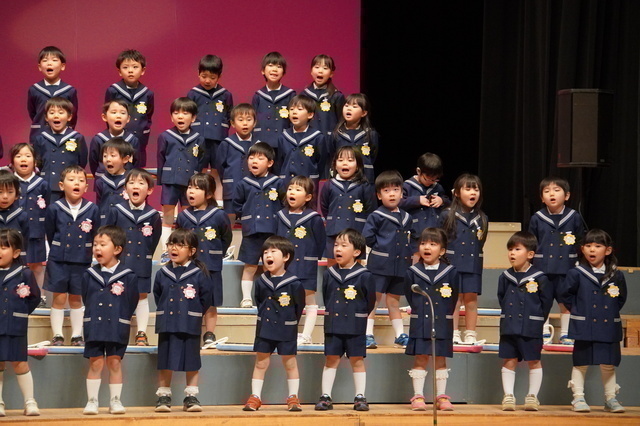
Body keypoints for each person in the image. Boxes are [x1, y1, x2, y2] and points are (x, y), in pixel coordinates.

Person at [562, 229, 626, 414]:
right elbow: (566, 295)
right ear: (582, 249)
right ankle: (578, 397)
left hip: (608, 326)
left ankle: (610, 398)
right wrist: (581, 310)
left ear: (608, 250)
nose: (592, 249)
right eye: (588, 245)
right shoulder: (576, 273)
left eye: (597, 246)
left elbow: (620, 299)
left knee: (608, 363)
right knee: (581, 362)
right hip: (584, 325)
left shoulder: (616, 275)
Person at [315, 228, 375, 412]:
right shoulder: (329, 274)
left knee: (357, 360)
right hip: (333, 325)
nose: (338, 249)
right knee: (331, 359)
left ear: (356, 252)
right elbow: (326, 296)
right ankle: (326, 396)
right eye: (336, 245)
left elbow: (370, 301)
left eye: (343, 245)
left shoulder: (365, 275)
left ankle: (360, 396)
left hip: (355, 325)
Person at [243, 236, 305, 412]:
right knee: (260, 363)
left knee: (290, 363)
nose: (268, 255)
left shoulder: (294, 283)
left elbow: (299, 307)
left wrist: (289, 322)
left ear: (286, 257)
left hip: (286, 329)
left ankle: (293, 397)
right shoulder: (261, 281)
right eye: (265, 252)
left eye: (273, 251)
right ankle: (255, 397)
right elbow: (259, 302)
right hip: (265, 328)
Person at [81, 226, 139, 415]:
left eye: (102, 244)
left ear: (117, 249)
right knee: (95, 362)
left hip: (117, 326)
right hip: (94, 325)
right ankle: (92, 401)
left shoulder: (128, 276)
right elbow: (86, 297)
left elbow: (131, 301)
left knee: (114, 362)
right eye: (95, 244)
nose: (97, 248)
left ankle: (115, 401)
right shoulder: (89, 274)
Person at [153, 229, 211, 413]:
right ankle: (164, 396)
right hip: (167, 323)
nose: (174, 248)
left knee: (191, 361)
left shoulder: (198, 274)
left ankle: (191, 396)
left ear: (192, 251)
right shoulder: (162, 273)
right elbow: (158, 295)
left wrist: (191, 313)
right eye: (171, 244)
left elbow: (206, 299)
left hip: (189, 323)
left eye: (180, 245)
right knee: (165, 360)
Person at [44, 165, 100, 346]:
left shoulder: (92, 209)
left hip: (81, 260)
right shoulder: (54, 208)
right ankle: (57, 335)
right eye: (71, 180)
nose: (77, 183)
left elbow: (95, 233)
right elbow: (50, 232)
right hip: (58, 260)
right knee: (59, 298)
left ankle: (77, 335)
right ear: (61, 185)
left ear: (86, 187)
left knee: (76, 298)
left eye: (81, 180)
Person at [105, 168, 161, 345]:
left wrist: (144, 255)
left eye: (141, 183)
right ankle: (116, 331)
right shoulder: (117, 211)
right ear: (125, 188)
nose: (135, 186)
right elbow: (108, 236)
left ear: (149, 190)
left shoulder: (153, 216)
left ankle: (141, 333)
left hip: (141, 262)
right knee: (117, 295)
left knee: (141, 296)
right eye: (131, 183)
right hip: (120, 263)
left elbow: (153, 241)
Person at [497, 231, 553, 411]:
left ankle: (532, 397)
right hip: (509, 326)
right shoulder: (505, 277)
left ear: (530, 254)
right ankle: (508, 396)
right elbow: (502, 298)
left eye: (517, 249)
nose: (512, 253)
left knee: (534, 360)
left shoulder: (540, 278)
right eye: (510, 249)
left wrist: (536, 320)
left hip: (531, 327)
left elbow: (546, 303)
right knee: (509, 360)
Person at [404, 228, 459, 411]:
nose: (426, 247)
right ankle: (418, 397)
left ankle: (441, 396)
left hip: (442, 322)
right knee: (420, 358)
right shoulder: (413, 272)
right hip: (420, 322)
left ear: (442, 251)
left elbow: (453, 298)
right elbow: (411, 297)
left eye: (433, 244)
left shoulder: (450, 272)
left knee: (440, 359)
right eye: (423, 243)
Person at [176, 173, 232, 348]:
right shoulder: (184, 216)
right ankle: (188, 331)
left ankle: (209, 333)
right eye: (189, 187)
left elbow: (226, 237)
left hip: (211, 266)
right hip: (189, 267)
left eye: (197, 188)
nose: (191, 191)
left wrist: (216, 254)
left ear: (208, 194)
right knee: (187, 297)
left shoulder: (218, 215)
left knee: (211, 301)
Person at [529, 177, 586, 345]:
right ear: (542, 198)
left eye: (556, 190)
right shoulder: (537, 218)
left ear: (567, 195)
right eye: (547, 191)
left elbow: (581, 241)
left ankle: (566, 333)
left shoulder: (574, 217)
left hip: (566, 267)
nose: (551, 194)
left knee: (566, 301)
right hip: (542, 268)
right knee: (542, 300)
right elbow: (531, 242)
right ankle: (544, 331)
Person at [363, 170, 415, 349]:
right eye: (386, 190)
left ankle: (400, 335)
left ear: (402, 193)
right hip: (380, 265)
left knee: (394, 301)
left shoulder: (407, 217)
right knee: (373, 300)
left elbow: (412, 239)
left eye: (395, 189)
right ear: (379, 195)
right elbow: (368, 237)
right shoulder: (376, 216)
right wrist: (381, 248)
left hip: (400, 266)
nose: (391, 194)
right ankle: (367, 334)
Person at [276, 176, 326, 345]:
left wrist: (311, 259)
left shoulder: (313, 218)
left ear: (308, 197)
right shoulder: (280, 216)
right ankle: (287, 333)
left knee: (309, 300)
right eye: (290, 189)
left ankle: (306, 335)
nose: (292, 192)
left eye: (298, 190)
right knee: (286, 300)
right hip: (285, 267)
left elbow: (320, 242)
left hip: (306, 266)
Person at [439, 174, 488, 344]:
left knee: (471, 299)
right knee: (454, 299)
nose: (473, 192)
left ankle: (470, 334)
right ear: (457, 193)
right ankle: (453, 333)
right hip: (451, 264)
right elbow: (441, 239)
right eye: (468, 189)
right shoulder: (447, 215)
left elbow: (481, 241)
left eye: (476, 189)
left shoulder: (482, 218)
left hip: (473, 264)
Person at [233, 142, 283, 308]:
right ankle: (246, 298)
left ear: (270, 163)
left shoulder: (277, 183)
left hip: (272, 231)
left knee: (272, 265)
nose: (254, 161)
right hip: (252, 231)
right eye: (251, 157)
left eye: (260, 158)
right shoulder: (243, 184)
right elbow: (237, 205)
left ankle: (271, 296)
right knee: (250, 266)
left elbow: (283, 204)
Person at [157, 97, 205, 257]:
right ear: (171, 117)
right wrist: (162, 180)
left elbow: (200, 160)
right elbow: (160, 159)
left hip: (190, 183)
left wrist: (196, 181)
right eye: (176, 113)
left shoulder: (198, 138)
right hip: (170, 181)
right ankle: (166, 250)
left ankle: (186, 249)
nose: (180, 116)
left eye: (185, 113)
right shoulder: (165, 136)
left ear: (193, 118)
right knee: (167, 217)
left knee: (187, 216)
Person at [0, 229, 41, 416]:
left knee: (20, 363)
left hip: (16, 326)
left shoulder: (24, 273)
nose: (0, 251)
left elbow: (34, 298)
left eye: (4, 247)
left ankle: (30, 401)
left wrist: (20, 313)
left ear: (16, 252)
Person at [187, 54, 233, 203]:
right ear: (198, 73)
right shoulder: (193, 94)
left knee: (218, 170)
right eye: (204, 76)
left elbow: (229, 115)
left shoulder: (225, 95)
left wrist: (222, 129)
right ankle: (198, 199)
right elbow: (188, 113)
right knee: (197, 169)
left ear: (219, 76)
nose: (207, 80)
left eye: (212, 77)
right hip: (198, 139)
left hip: (218, 140)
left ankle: (218, 201)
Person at [319, 146, 375, 267]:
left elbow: (370, 209)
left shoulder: (364, 186)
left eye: (350, 160)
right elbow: (324, 207)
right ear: (334, 165)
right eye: (340, 160)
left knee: (355, 268)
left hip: (356, 232)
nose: (345, 163)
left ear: (358, 165)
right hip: (334, 233)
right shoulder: (329, 185)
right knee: (333, 268)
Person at [11, 143, 50, 302]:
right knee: (13, 264)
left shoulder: (42, 184)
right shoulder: (9, 182)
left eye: (28, 156)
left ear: (35, 161)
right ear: (12, 161)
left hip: (36, 231)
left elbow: (47, 207)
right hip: (13, 232)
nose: (23, 159)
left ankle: (39, 297)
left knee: (36, 265)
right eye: (19, 156)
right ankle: (12, 295)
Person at [32, 97, 87, 202]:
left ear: (69, 117)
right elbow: (37, 163)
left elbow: (82, 162)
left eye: (61, 112)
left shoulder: (77, 138)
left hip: (70, 185)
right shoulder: (41, 138)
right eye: (52, 113)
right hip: (48, 185)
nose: (56, 116)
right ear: (46, 117)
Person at [105, 49, 154, 167]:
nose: (130, 71)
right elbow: (108, 115)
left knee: (137, 171)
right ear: (119, 71)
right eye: (125, 67)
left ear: (143, 70)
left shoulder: (147, 93)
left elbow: (148, 115)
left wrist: (144, 130)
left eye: (135, 67)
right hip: (119, 139)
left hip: (139, 139)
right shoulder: (113, 91)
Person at [399, 153, 450, 263]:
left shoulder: (437, 187)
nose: (431, 182)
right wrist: (417, 200)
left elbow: (448, 202)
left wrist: (441, 200)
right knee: (415, 263)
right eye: (428, 179)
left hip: (434, 233)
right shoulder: (407, 186)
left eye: (435, 180)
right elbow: (399, 202)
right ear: (418, 171)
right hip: (415, 234)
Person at [276, 95, 326, 207]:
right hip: (288, 181)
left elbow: (321, 161)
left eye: (299, 109)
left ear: (310, 115)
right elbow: (280, 161)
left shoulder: (317, 137)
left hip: (309, 181)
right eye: (291, 109)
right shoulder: (284, 137)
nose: (294, 112)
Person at [215, 104, 259, 224]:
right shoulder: (227, 144)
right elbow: (220, 167)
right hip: (231, 188)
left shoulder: (258, 144)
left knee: (250, 220)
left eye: (249, 120)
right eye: (240, 120)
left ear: (255, 123)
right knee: (229, 220)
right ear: (233, 123)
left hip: (252, 189)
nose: (245, 123)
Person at [28, 46, 78, 144]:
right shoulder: (34, 89)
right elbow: (32, 113)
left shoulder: (69, 90)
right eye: (45, 60)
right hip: (39, 134)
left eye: (54, 60)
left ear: (62, 66)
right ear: (39, 67)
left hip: (63, 135)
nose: (49, 63)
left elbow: (73, 115)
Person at [330, 93, 379, 183]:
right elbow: (332, 154)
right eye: (346, 105)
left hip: (364, 179)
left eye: (354, 106)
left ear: (364, 113)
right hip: (342, 179)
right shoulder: (336, 133)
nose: (349, 108)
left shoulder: (370, 134)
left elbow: (373, 155)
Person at [252, 52, 296, 150]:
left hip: (283, 141)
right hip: (262, 142)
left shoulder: (290, 94)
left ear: (284, 72)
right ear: (263, 71)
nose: (274, 69)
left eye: (279, 67)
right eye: (270, 65)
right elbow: (252, 120)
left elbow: (294, 120)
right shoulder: (258, 95)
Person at [89, 100, 140, 177]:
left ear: (128, 118)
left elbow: (136, 163)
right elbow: (93, 163)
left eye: (123, 113)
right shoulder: (98, 139)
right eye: (114, 112)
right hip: (103, 179)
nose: (118, 116)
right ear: (104, 117)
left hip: (126, 179)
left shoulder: (133, 140)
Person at [303, 54, 345, 136]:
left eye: (325, 68)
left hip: (330, 140)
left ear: (331, 73)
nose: (320, 71)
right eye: (317, 67)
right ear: (311, 71)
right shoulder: (304, 95)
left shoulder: (336, 96)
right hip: (309, 139)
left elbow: (342, 121)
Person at [94, 138, 134, 224]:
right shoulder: (100, 182)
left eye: (112, 155)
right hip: (106, 224)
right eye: (105, 156)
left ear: (125, 159)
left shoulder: (131, 181)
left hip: (126, 223)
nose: (108, 159)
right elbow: (99, 205)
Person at [0, 171, 29, 262]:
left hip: (16, 263)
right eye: (0, 192)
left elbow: (24, 243)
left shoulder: (22, 216)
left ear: (16, 195)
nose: (5, 196)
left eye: (10, 192)